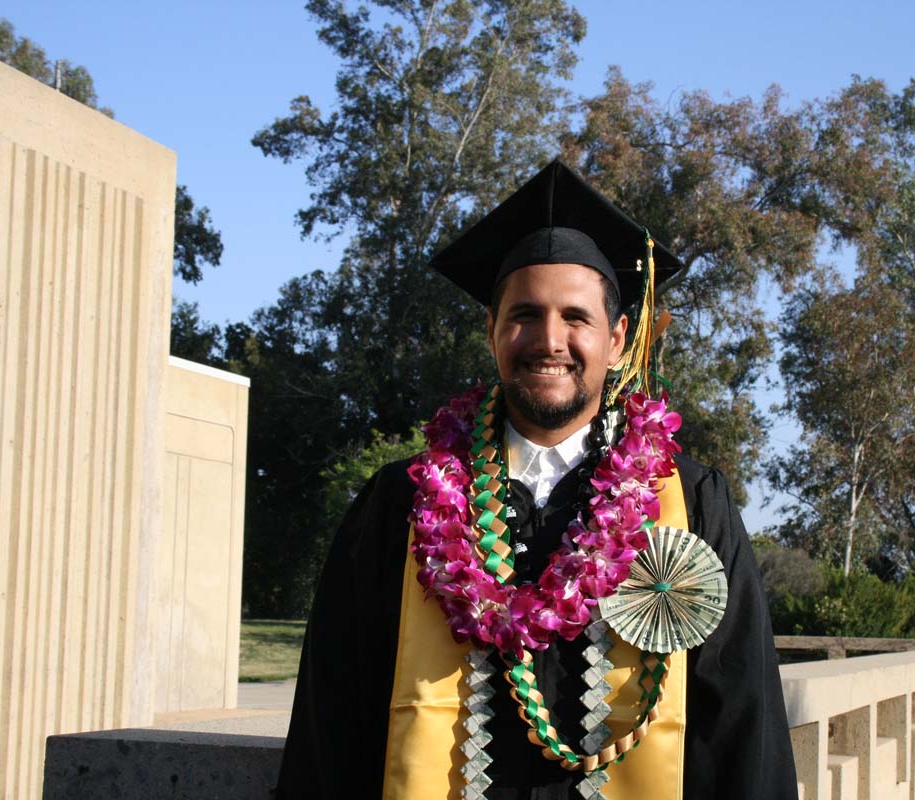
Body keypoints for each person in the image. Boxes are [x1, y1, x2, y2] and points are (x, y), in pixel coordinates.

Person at [276, 160, 798, 799]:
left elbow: (743, 721)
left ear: (617, 339)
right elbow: (334, 715)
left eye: (576, 318)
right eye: (524, 314)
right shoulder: (402, 505)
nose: (549, 339)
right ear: (492, 328)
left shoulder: (689, 501)